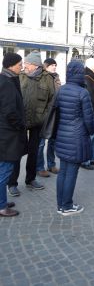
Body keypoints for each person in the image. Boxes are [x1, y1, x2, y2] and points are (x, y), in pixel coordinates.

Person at [8, 51, 55, 196]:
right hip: (20, 122)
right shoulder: (19, 76)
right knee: (16, 153)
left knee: (34, 152)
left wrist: (44, 116)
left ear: (35, 66)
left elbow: (52, 100)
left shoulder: (47, 78)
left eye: (27, 64)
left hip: (37, 122)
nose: (24, 66)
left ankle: (30, 179)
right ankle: (12, 183)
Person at [55, 60, 94, 216]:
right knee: (71, 172)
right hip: (76, 138)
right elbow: (89, 120)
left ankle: (60, 205)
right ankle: (67, 206)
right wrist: (91, 132)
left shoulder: (60, 90)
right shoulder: (82, 92)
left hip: (62, 135)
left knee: (63, 171)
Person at [0, 53, 27, 217]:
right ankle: (2, 207)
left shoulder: (5, 79)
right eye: (19, 64)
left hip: (5, 134)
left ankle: (1, 200)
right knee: (5, 171)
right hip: (7, 136)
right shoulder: (7, 83)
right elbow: (10, 112)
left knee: (3, 169)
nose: (21, 67)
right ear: (11, 65)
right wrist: (21, 126)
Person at [37, 58, 61, 177]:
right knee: (41, 143)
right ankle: (39, 167)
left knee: (53, 141)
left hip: (55, 114)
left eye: (55, 65)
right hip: (44, 115)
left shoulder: (56, 77)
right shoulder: (41, 78)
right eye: (52, 65)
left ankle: (51, 165)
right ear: (45, 66)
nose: (54, 67)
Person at [81, 58, 94, 170]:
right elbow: (89, 97)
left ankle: (93, 158)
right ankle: (85, 160)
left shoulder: (92, 76)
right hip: (91, 112)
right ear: (91, 66)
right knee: (90, 137)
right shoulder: (87, 78)